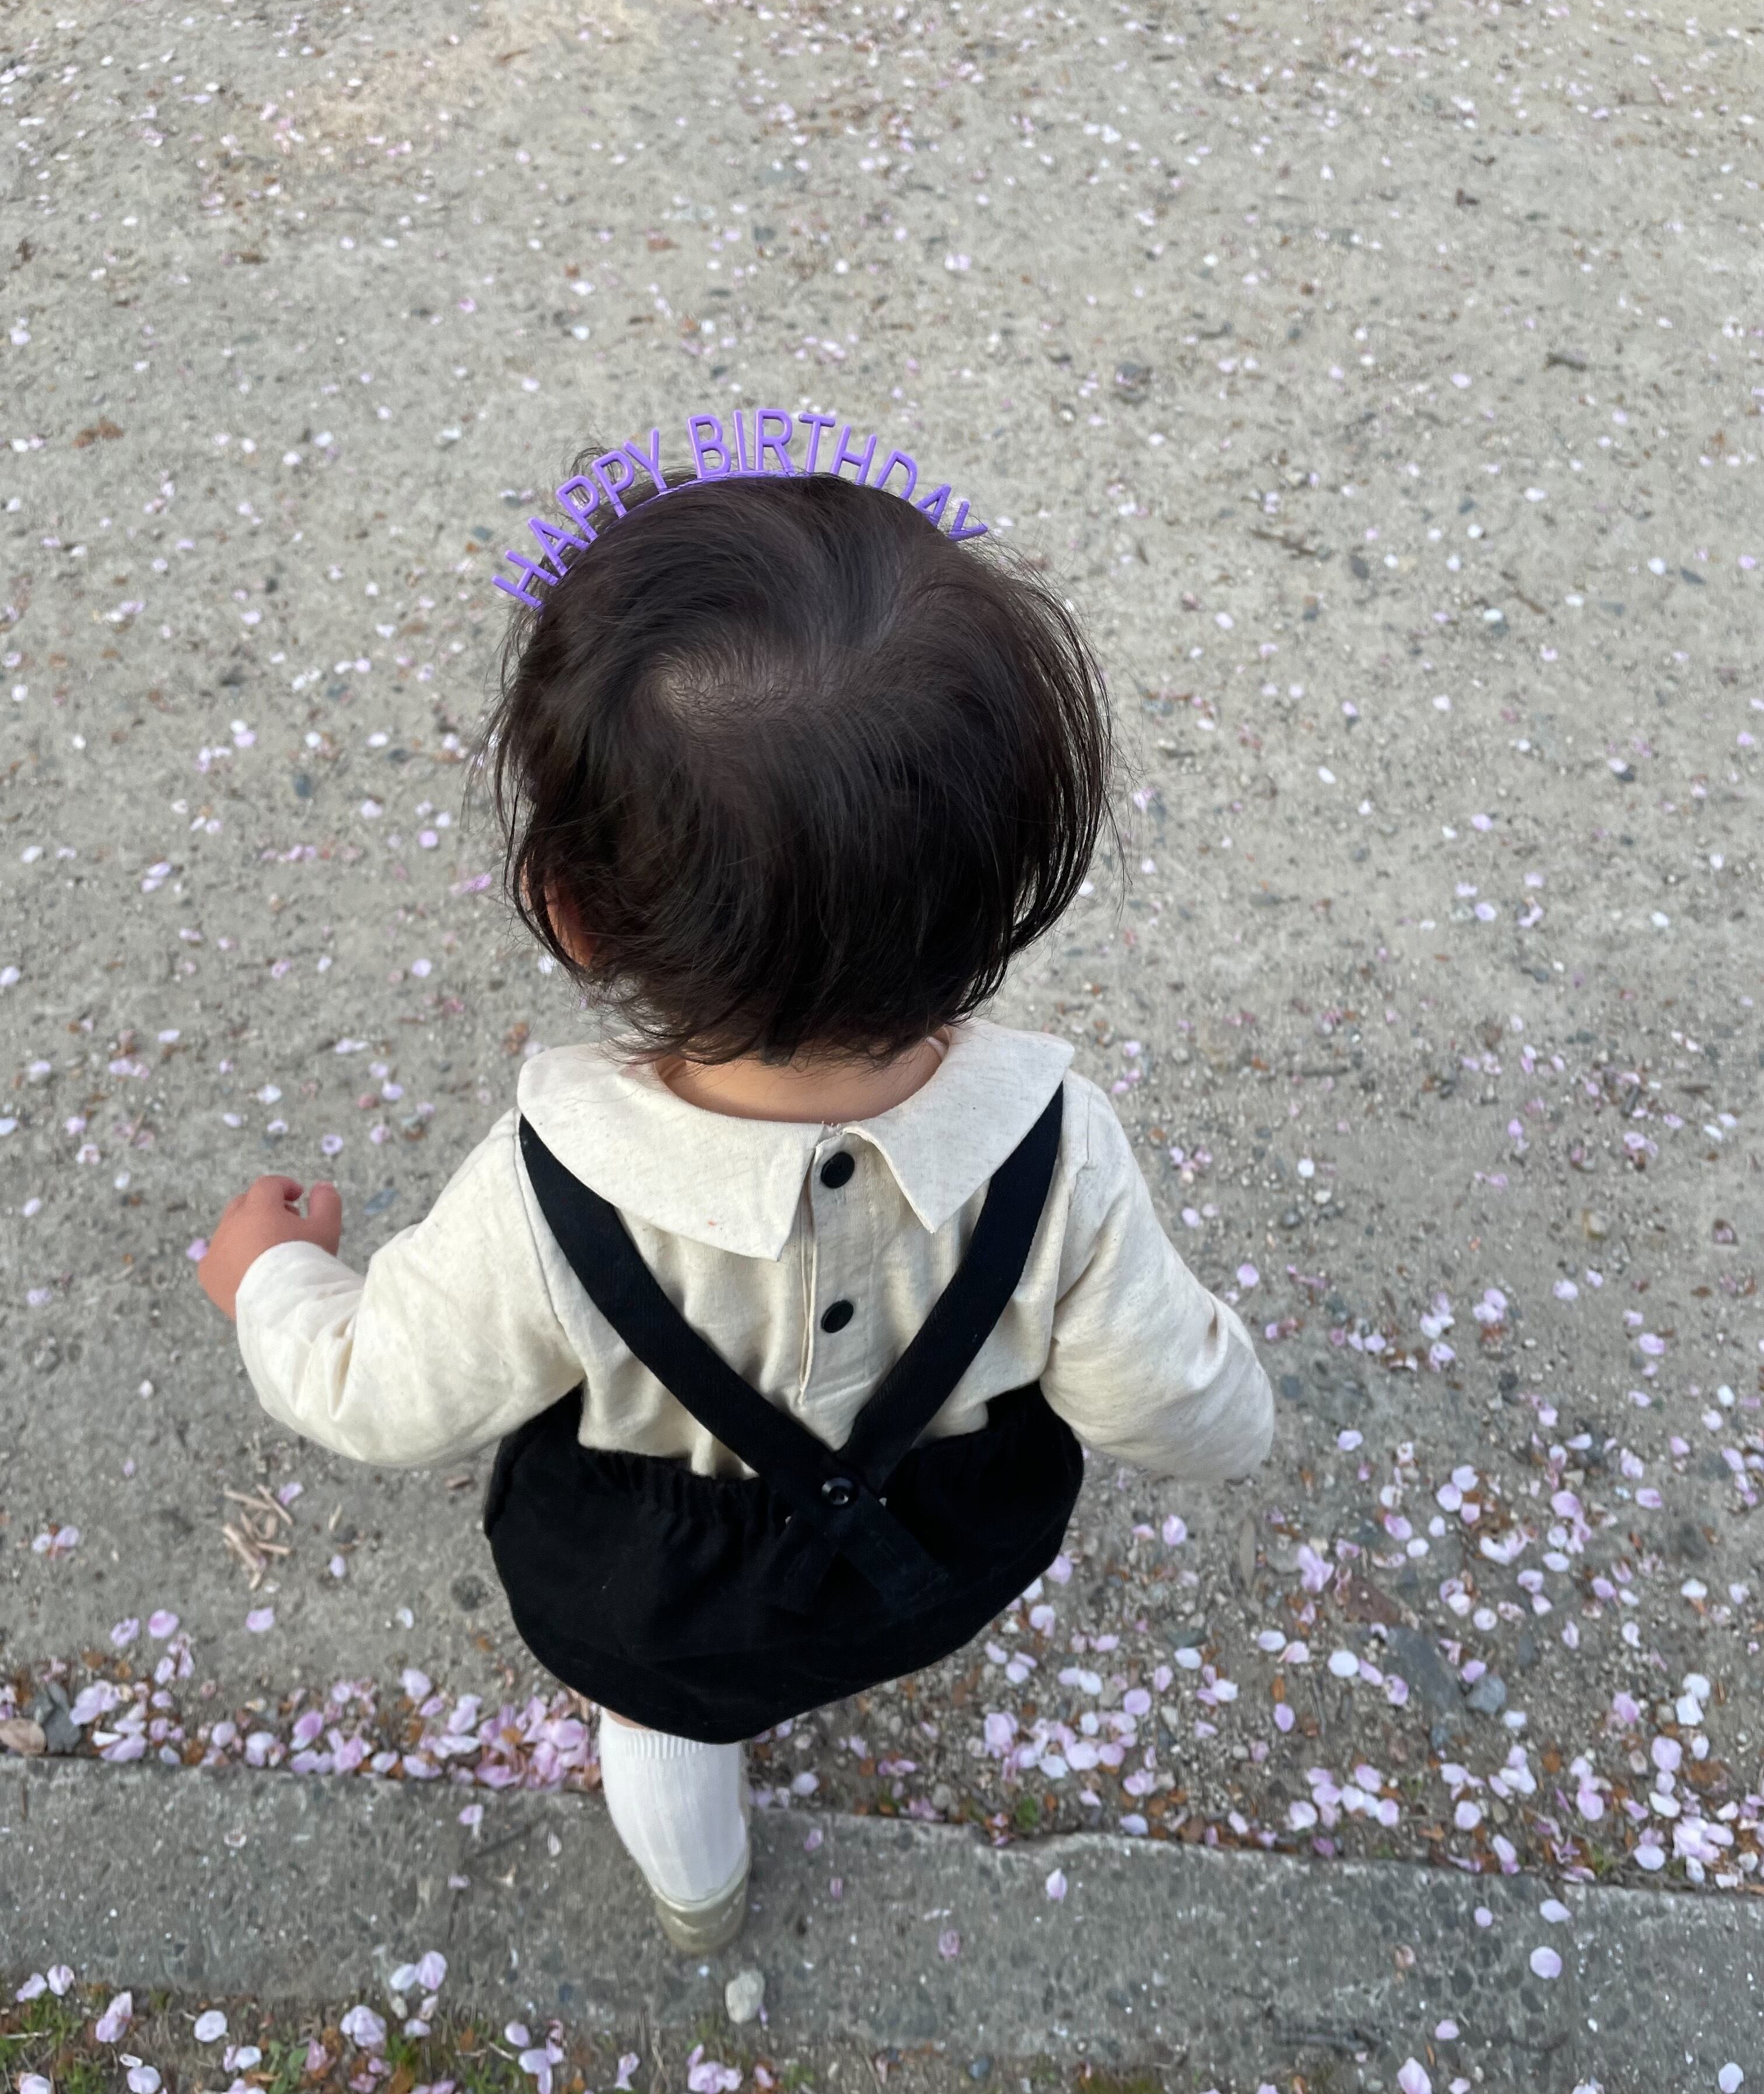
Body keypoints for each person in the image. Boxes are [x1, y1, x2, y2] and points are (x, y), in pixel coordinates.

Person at [198, 449, 1274, 1959]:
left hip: (659, 1610)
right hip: (934, 1569)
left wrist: (271, 1279)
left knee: (664, 1733)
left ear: (575, 912)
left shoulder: (548, 1198)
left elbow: (379, 1394)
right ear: (1005, 885)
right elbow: (1172, 1401)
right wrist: (1245, 1408)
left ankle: (699, 1905)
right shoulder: (1060, 1152)